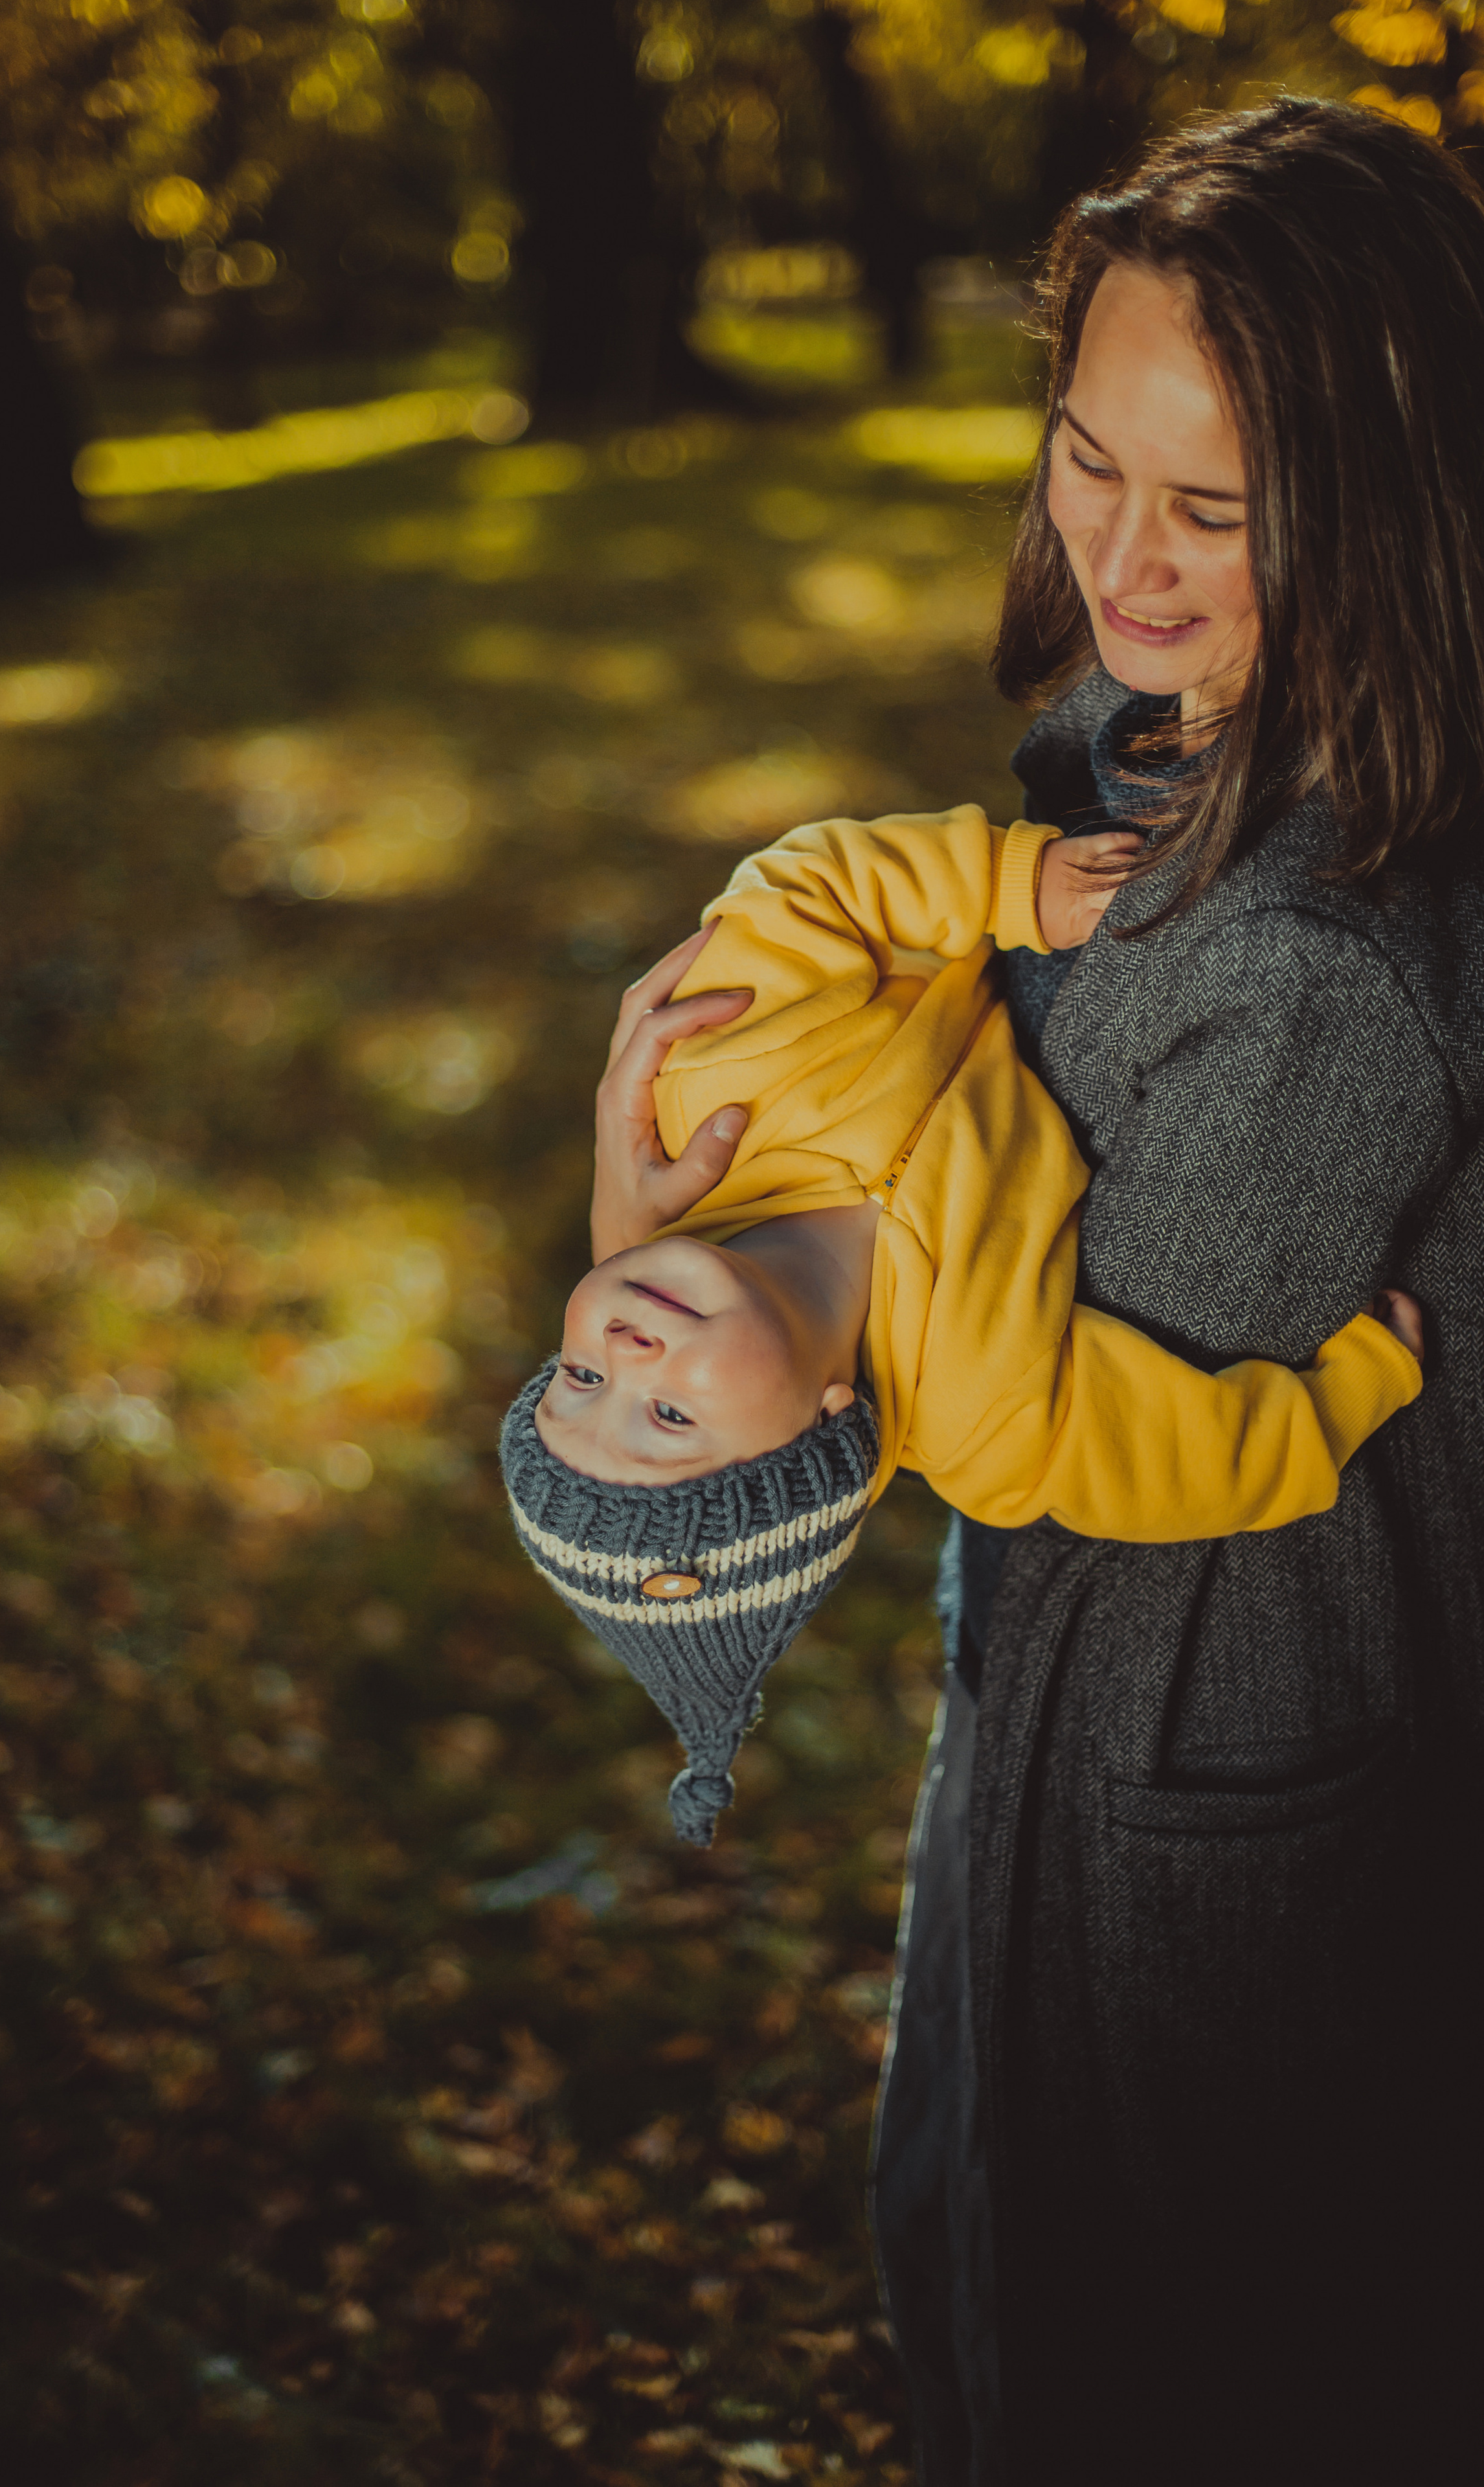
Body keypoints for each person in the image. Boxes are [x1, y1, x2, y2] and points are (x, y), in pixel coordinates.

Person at [865, 98, 1484, 2487]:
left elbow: (1025, 1392)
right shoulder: (1184, 753)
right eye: (1085, 461)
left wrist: (725, 1192)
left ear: (1388, 504)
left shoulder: (1326, 969)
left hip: (1217, 1804)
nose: (1121, 555)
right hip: (1084, 1715)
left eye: (1211, 511)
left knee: (1172, 2364)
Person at [499, 802, 1422, 1845]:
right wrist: (1360, 1381)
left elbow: (811, 883)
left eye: (577, 1381)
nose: (625, 1355)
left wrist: (1006, 888)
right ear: (820, 1428)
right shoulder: (988, 1422)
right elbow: (1189, 1469)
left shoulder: (709, 1095)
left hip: (1008, 945)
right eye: (667, 1419)